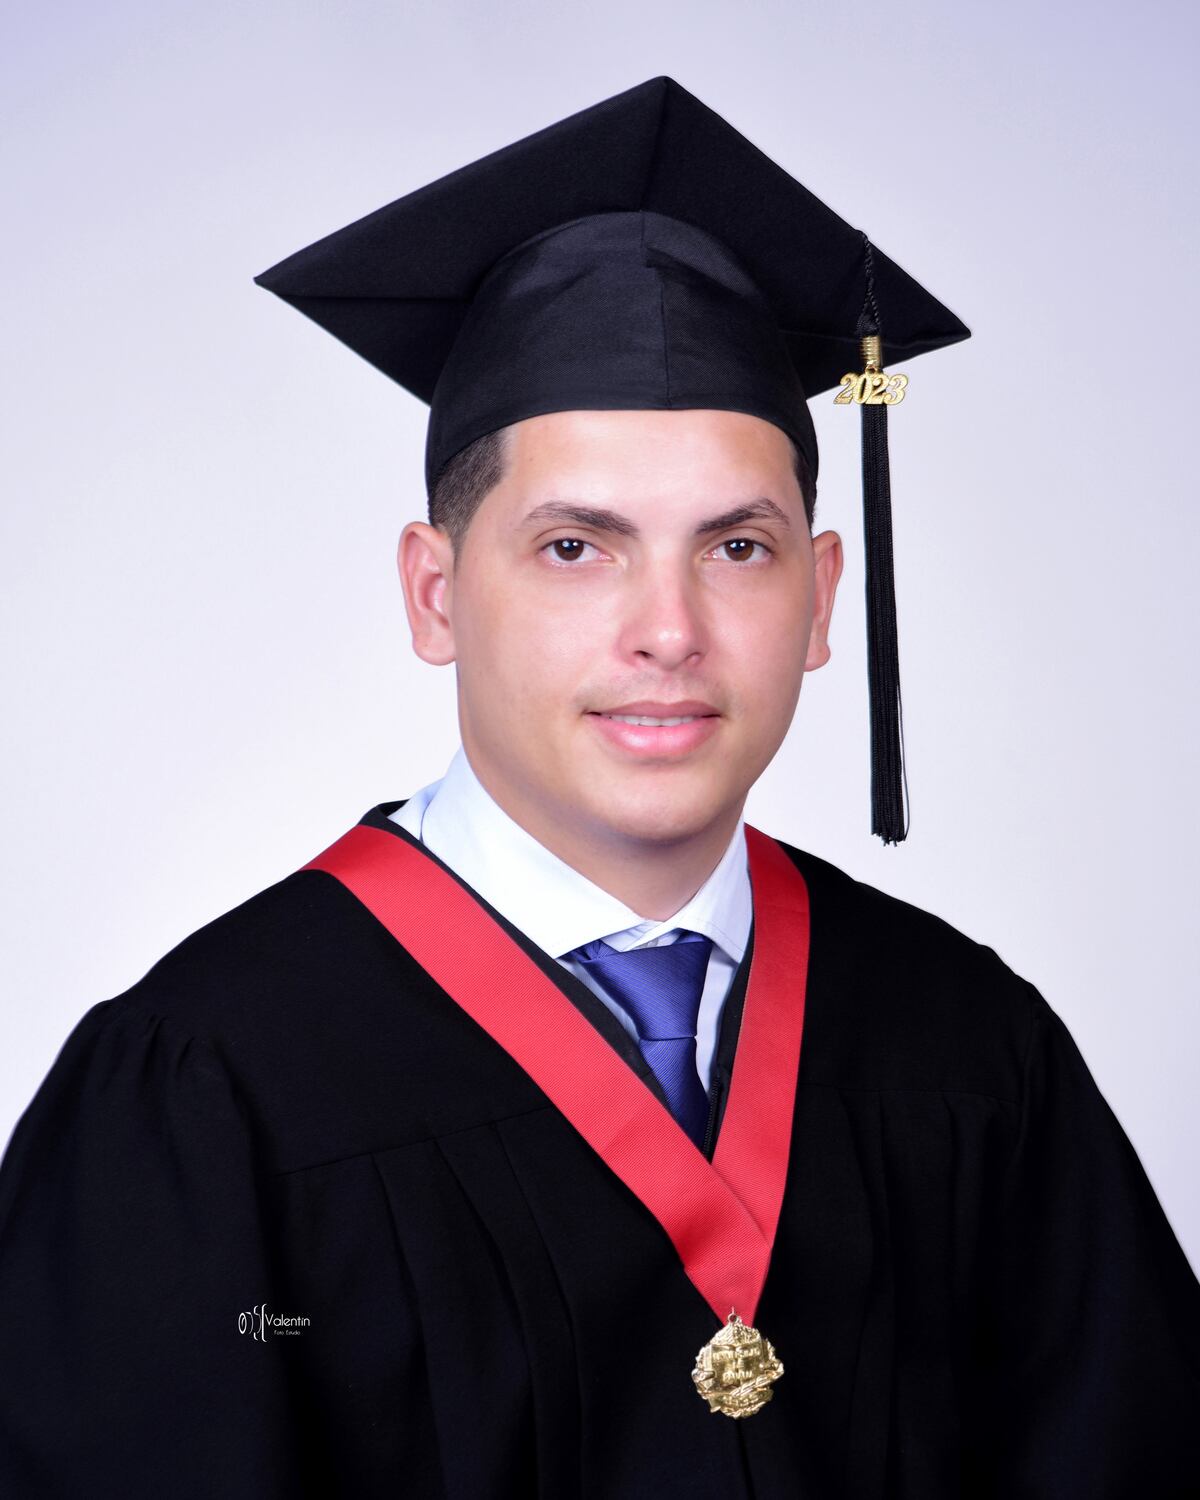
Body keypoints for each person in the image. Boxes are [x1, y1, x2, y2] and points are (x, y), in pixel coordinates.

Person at [1, 75, 1197, 1500]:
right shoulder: (207, 1091)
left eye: (737, 549)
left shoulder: (972, 1051)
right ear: (436, 593)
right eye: (577, 547)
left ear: (823, 600)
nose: (668, 630)